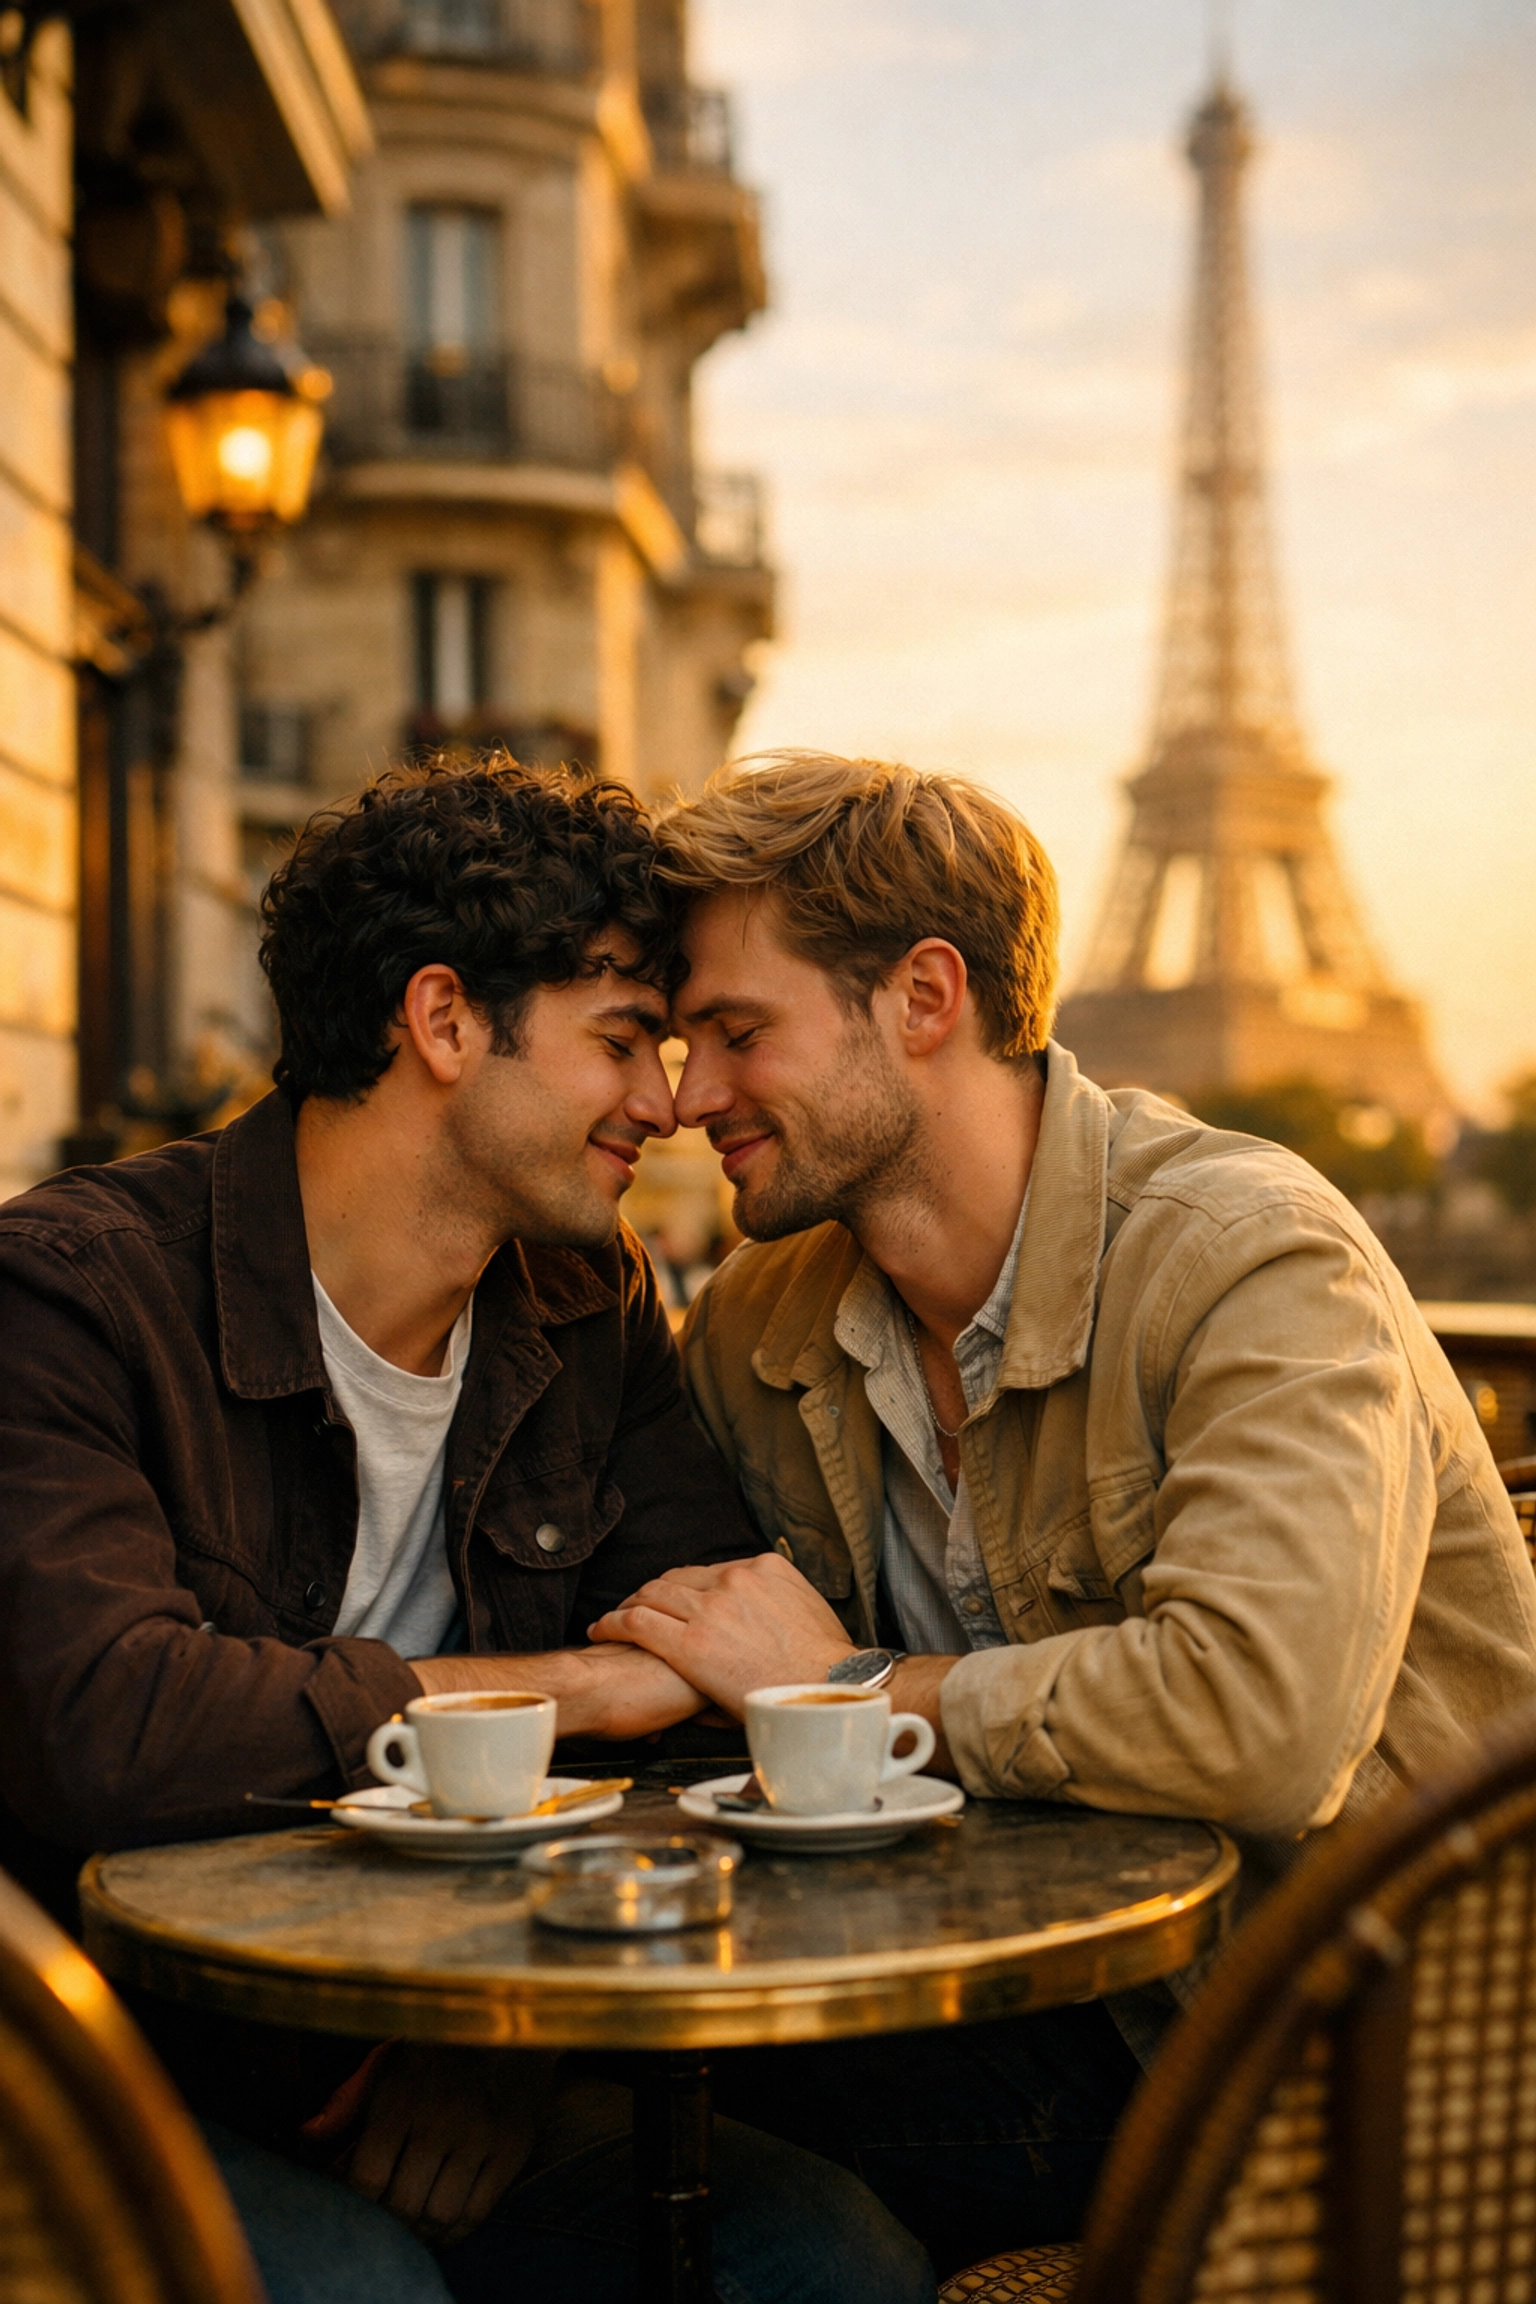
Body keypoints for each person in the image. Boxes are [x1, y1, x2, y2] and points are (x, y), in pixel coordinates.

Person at [587, 748, 1536, 2274]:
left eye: (735, 1032)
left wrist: (848, 1695)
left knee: (636, 2154)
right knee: (600, 2125)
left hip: (1372, 2087)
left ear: (924, 996)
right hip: (1045, 2019)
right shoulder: (768, 1323)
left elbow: (1261, 1721)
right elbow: (678, 1637)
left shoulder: (1252, 1258)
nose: (686, 1095)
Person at [0, 760, 934, 2304]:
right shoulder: (72, 1298)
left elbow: (703, 1707)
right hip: (95, 2067)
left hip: (446, 2033)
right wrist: (561, 1688)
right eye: (625, 1041)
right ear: (441, 1021)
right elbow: (110, 1729)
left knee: (827, 2261)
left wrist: (503, 2033)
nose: (672, 1103)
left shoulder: (588, 1303)